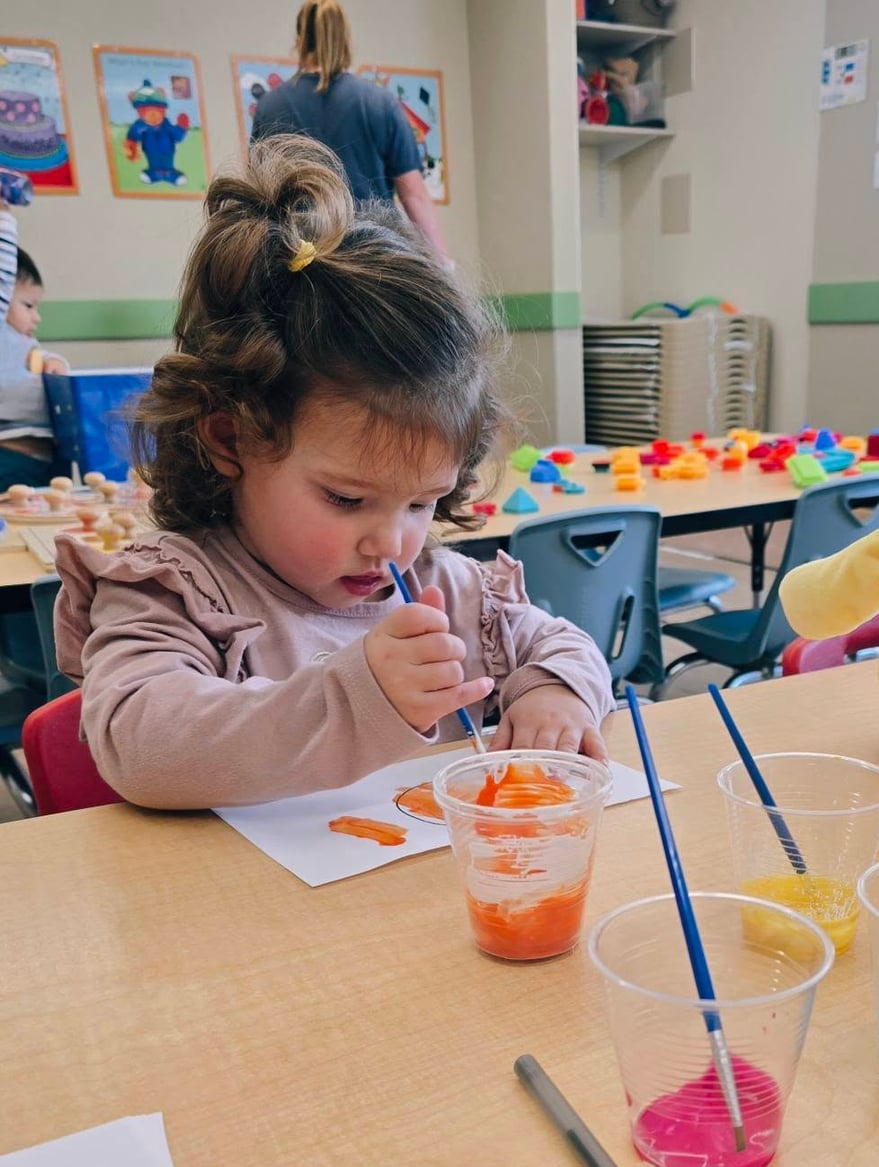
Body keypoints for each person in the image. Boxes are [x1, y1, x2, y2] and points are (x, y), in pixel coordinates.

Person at [54, 135, 613, 811]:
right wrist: (357, 697)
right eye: (347, 499)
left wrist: (554, 689)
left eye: (421, 503)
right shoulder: (176, 593)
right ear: (232, 439)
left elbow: (562, 642)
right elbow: (143, 746)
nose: (393, 543)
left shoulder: (443, 588)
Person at [250, 0, 449, 261]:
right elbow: (415, 197)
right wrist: (444, 267)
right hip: (374, 262)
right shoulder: (379, 103)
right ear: (346, 41)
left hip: (302, 263)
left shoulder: (270, 108)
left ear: (299, 42)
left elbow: (259, 199)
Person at [0, 193, 67, 488]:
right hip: (10, 459)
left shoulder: (25, 343)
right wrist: (4, 218)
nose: (36, 317)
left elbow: (43, 359)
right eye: (28, 305)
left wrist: (55, 361)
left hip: (45, 461)